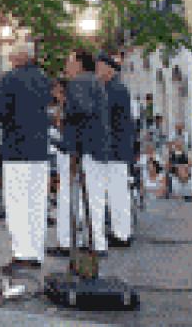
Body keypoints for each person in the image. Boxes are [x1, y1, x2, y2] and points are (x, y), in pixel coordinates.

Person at [0, 41, 52, 274]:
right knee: (37, 203)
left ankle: (22, 254)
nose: (9, 59)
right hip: (40, 149)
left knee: (17, 203)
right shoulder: (43, 79)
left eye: (12, 55)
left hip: (17, 149)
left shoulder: (10, 79)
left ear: (20, 57)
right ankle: (36, 252)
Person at [55, 49, 110, 258]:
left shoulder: (79, 82)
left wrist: (65, 105)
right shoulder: (94, 82)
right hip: (94, 148)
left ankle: (76, 242)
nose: (66, 66)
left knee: (77, 196)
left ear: (79, 63)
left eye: (69, 61)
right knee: (95, 197)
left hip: (83, 149)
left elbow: (82, 110)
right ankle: (95, 241)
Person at [96, 53, 135, 248]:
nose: (97, 71)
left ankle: (122, 233)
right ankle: (120, 230)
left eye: (99, 67)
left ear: (109, 68)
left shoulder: (115, 90)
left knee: (118, 193)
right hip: (115, 149)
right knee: (116, 193)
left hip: (116, 149)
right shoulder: (112, 88)